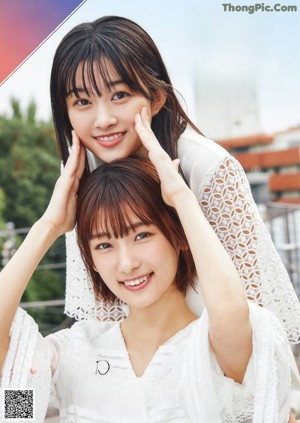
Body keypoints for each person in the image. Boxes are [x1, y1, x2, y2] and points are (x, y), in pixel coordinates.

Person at [49, 16, 300, 415]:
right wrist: (48, 226)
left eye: (119, 95)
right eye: (82, 102)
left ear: (156, 98)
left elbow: (252, 320)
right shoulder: (64, 361)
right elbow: (18, 391)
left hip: (219, 376)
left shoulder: (206, 168)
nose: (103, 119)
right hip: (135, 378)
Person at [0, 111, 292, 421]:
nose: (127, 263)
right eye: (104, 245)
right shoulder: (72, 354)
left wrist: (181, 197)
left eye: (142, 235)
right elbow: (16, 409)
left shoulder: (211, 351)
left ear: (178, 236)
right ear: (91, 261)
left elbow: (233, 311)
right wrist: (49, 225)